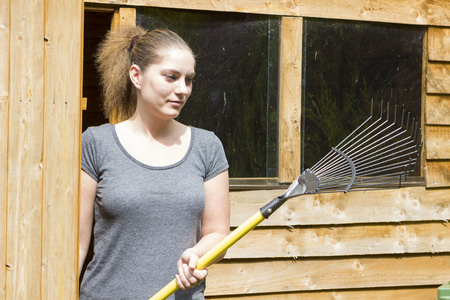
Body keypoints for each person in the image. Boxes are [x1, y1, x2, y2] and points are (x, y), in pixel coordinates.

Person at [79, 26, 230, 300]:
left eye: (189, 79)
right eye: (171, 77)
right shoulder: (96, 144)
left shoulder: (207, 147)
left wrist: (197, 255)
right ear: (136, 76)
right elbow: (75, 245)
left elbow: (218, 234)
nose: (182, 89)